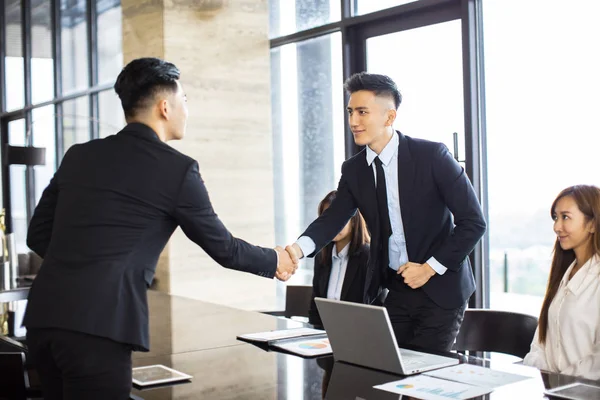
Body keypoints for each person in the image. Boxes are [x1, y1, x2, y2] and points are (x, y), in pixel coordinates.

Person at [23, 57, 297, 400]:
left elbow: (37, 234)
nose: (187, 110)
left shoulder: (79, 155)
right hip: (99, 327)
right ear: (165, 107)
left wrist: (84, 264)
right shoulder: (177, 170)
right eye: (185, 101)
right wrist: (275, 260)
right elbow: (223, 248)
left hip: (44, 319)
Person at [285, 72, 486, 352]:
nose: (353, 121)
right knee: (385, 369)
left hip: (441, 289)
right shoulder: (354, 170)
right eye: (351, 111)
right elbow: (332, 220)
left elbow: (473, 223)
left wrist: (429, 269)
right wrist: (293, 251)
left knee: (425, 376)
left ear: (389, 117)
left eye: (363, 112)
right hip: (396, 289)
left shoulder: (432, 157)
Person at [523, 185, 600, 380]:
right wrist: (545, 377)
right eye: (555, 218)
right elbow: (540, 344)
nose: (557, 227)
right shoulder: (564, 275)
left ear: (592, 224)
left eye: (565, 217)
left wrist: (560, 380)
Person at [308, 190, 370, 328]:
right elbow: (315, 309)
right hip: (324, 337)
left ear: (353, 221)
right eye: (326, 219)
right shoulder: (321, 257)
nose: (331, 225)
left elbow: (373, 311)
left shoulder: (368, 257)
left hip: (359, 335)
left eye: (337, 218)